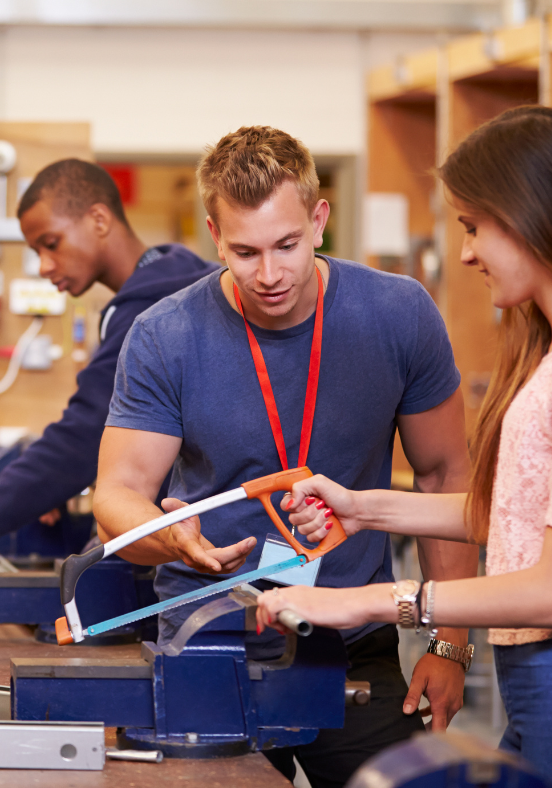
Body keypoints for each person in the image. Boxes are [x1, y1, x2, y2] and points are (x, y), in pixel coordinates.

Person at [93, 126, 479, 788]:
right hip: (208, 646)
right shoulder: (165, 334)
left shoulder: (399, 315)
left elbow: (446, 475)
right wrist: (167, 536)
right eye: (244, 252)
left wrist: (451, 646)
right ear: (214, 234)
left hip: (354, 641)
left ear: (320, 220)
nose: (268, 275)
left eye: (286, 246)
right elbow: (116, 493)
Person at [256, 105, 552, 782]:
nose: (468, 251)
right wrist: (364, 508)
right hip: (530, 677)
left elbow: (548, 586)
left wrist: (375, 600)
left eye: (477, 227)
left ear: (533, 214)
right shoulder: (538, 358)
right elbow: (509, 519)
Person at [0, 159, 219, 606]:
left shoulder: (151, 311)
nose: (42, 265)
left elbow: (79, 439)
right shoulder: (172, 283)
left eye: (50, 243)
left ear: (99, 219)